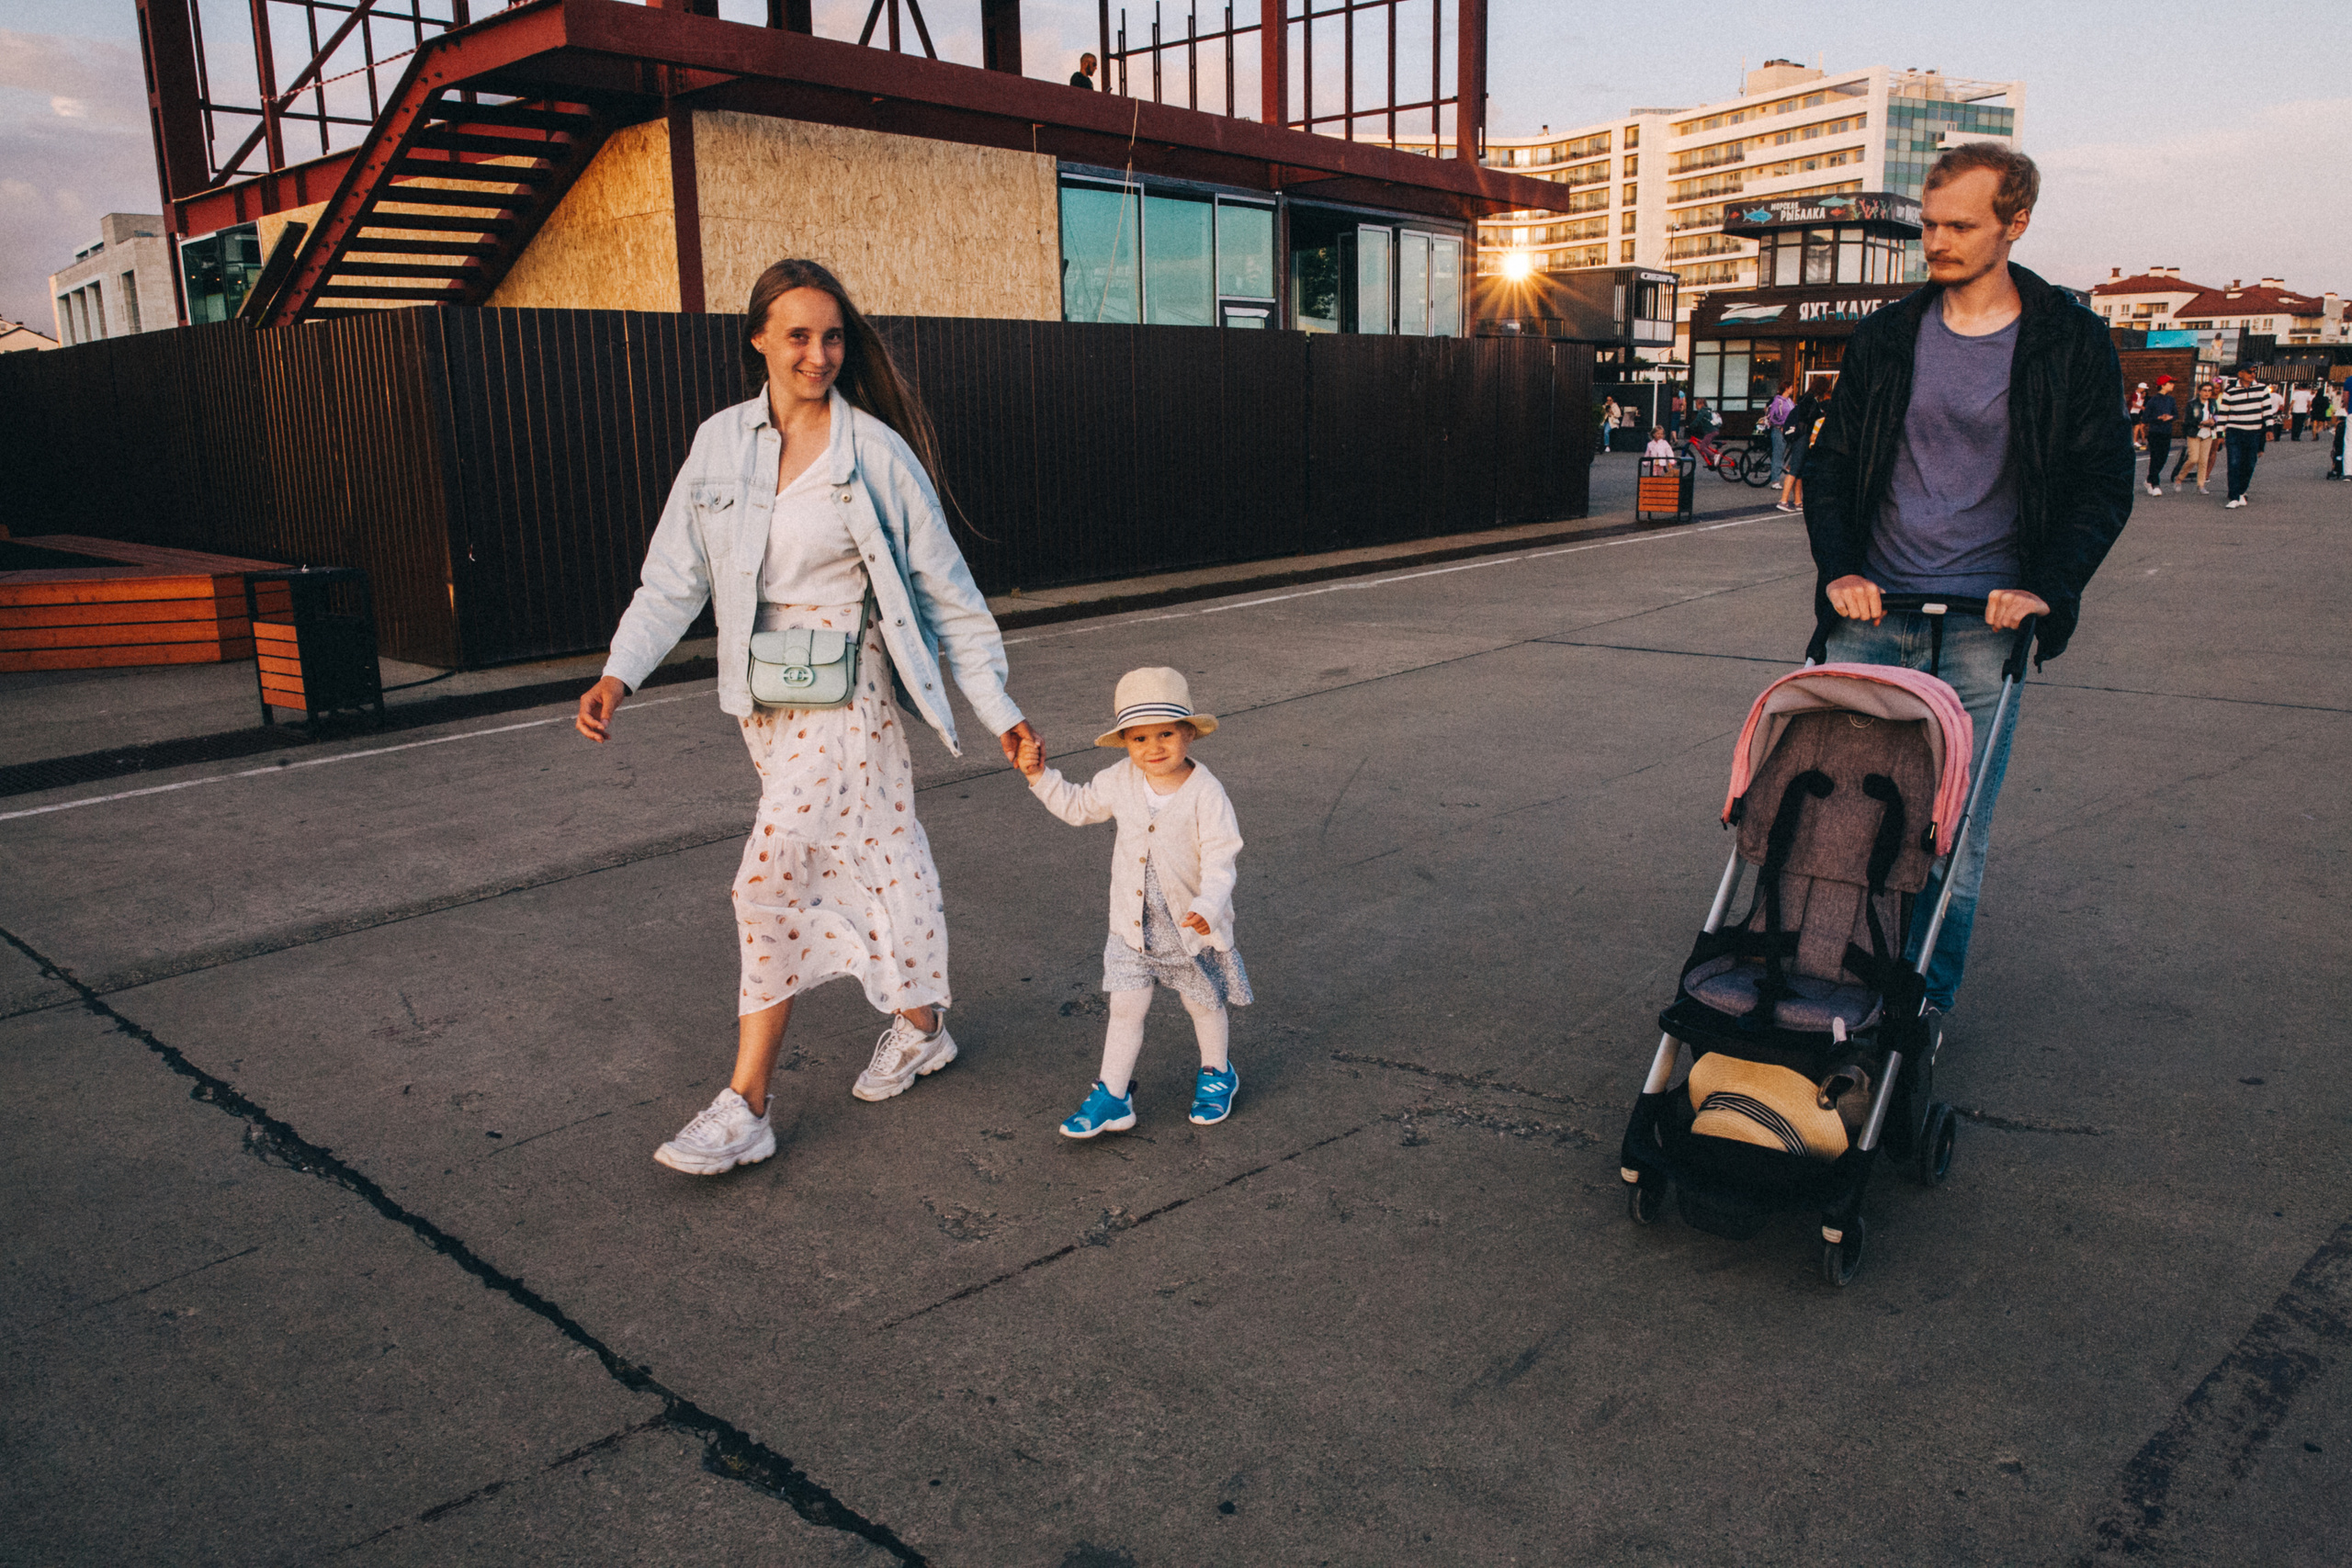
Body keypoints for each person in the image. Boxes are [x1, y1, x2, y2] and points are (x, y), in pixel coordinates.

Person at [578, 258, 1042, 1176]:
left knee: (769, 877)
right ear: (757, 337)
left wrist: (1000, 709)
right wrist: (617, 673)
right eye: (797, 335)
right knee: (882, 854)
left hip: (852, 696)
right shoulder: (719, 445)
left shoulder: (874, 451)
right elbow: (673, 577)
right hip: (769, 699)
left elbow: (949, 594)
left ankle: (746, 1102)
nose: (818, 354)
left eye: (832, 336)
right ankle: (921, 1025)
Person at [1801, 142, 2131, 1017]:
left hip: (1989, 630)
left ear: (2014, 225)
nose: (1935, 241)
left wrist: (2048, 588)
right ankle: (1821, 992)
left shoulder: (2068, 340)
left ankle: (1917, 1017)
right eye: (1928, 223)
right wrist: (1838, 569)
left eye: (1959, 226)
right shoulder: (1888, 336)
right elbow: (1832, 465)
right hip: (1873, 613)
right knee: (1835, 819)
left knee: (1952, 833)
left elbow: (2103, 481)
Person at [1016, 670, 1250, 1138]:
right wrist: (1039, 775)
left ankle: (1217, 1073)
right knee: (1125, 1009)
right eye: (1139, 737)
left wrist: (1207, 905)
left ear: (1188, 733)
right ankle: (1113, 1095)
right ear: (1124, 742)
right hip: (1130, 925)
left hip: (1188, 926)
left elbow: (1223, 856)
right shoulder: (1119, 780)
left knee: (1202, 1002)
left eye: (1165, 733)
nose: (1153, 747)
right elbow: (1078, 806)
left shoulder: (1206, 792)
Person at [2217, 367, 2268, 507]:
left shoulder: (2262, 389)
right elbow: (2223, 413)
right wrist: (2219, 433)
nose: (2252, 375)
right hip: (2234, 431)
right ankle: (2233, 496)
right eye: (2249, 372)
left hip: (2253, 432)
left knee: (2250, 463)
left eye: (2254, 372)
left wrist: (2269, 428)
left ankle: (2241, 491)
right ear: (2240, 373)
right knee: (2234, 463)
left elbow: (2267, 411)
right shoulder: (2230, 391)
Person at [1777, 381, 1826, 513]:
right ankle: (1783, 501)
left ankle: (1798, 501)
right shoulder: (1812, 401)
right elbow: (1809, 419)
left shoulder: (1805, 399)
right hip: (1803, 436)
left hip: (1798, 436)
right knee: (1794, 469)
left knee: (1799, 470)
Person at [2173, 382, 2221, 493]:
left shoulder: (2213, 403)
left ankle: (2201, 485)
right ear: (2199, 391)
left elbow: (2218, 415)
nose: (2207, 393)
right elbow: (2187, 420)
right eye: (2205, 390)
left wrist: (2213, 421)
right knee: (2193, 458)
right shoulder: (2192, 404)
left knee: (2204, 460)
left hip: (2208, 434)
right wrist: (2201, 422)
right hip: (2194, 433)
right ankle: (2179, 478)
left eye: (2209, 391)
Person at [2141, 375, 2177, 499]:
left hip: (2167, 432)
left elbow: (2175, 414)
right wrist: (2158, 418)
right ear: (2163, 385)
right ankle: (2156, 484)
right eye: (2170, 383)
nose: (2172, 385)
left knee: (2163, 458)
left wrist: (2170, 417)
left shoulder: (2171, 400)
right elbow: (2145, 418)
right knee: (2155, 457)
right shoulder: (2153, 400)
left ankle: (2149, 479)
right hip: (2155, 432)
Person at [1762, 382, 1796, 486]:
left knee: (1796, 447)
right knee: (1778, 454)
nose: (1793, 389)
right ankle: (1775, 481)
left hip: (1788, 429)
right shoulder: (1778, 400)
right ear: (1786, 388)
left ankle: (1789, 466)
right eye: (1791, 387)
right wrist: (1780, 425)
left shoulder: (1790, 401)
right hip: (1779, 429)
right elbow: (1773, 416)